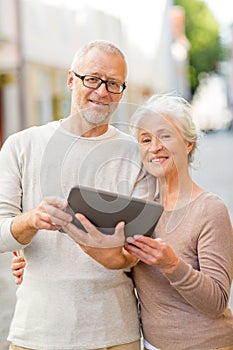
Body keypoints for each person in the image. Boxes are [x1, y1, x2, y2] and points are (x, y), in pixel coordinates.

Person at [31, 94, 233, 350]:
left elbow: (216, 302)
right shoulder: (139, 210)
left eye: (166, 136)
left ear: (188, 143)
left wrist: (172, 264)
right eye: (145, 139)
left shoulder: (209, 208)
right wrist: (28, 262)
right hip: (151, 345)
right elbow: (118, 266)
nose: (155, 147)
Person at [0, 40, 156, 350]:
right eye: (93, 79)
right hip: (37, 332)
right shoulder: (21, 145)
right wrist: (31, 221)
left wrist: (93, 244)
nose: (102, 91)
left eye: (113, 84)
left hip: (114, 333)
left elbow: (137, 254)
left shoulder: (137, 155)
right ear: (71, 80)